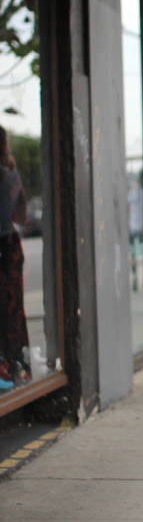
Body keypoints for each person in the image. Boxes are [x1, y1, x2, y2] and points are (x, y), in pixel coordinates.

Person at [0, 126, 31, 391]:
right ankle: (18, 365)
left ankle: (7, 367)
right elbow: (22, 214)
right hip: (11, 243)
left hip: (3, 245)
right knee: (13, 307)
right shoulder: (12, 172)